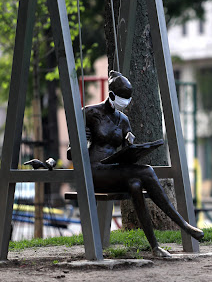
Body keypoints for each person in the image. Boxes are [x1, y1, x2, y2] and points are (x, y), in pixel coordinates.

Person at [68, 70, 203, 257]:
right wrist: (83, 141)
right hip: (94, 172)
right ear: (112, 95)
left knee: (136, 183)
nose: (125, 101)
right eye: (122, 97)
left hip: (113, 170)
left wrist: (131, 148)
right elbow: (70, 154)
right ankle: (184, 225)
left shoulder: (123, 120)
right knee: (146, 171)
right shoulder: (90, 113)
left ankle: (155, 247)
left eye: (128, 98)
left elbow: (125, 155)